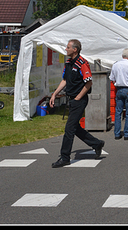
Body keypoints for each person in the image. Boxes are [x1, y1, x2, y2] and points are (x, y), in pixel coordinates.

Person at [50, 39, 105, 168]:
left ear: (75, 49)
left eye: (68, 47)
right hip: (72, 98)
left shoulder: (82, 63)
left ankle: (65, 157)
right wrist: (54, 94)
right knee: (74, 127)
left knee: (69, 128)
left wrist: (78, 98)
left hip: (79, 100)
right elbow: (64, 80)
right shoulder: (68, 63)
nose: (66, 49)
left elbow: (89, 83)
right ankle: (96, 144)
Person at [109, 48, 128, 140]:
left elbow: (112, 77)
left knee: (118, 111)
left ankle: (117, 133)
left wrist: (116, 83)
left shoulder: (115, 65)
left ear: (122, 55)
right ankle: (127, 133)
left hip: (119, 88)